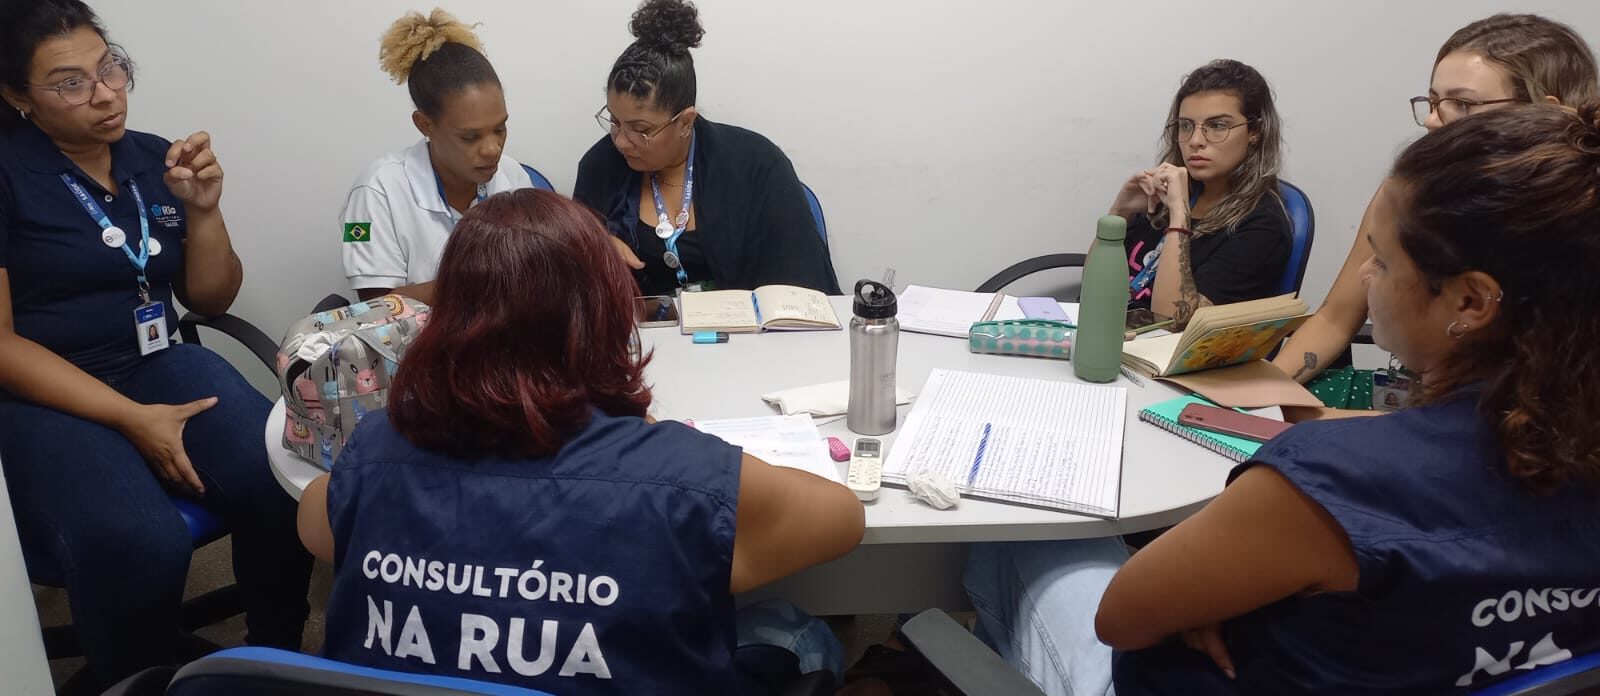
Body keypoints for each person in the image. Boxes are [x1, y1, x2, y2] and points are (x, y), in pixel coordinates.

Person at [965, 102, 1600, 695]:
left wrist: (1221, 603)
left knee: (1027, 534)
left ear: (1469, 301)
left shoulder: (1333, 479)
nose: (1364, 278)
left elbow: (1124, 621)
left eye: (1380, 259)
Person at [299, 189, 865, 693]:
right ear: (603, 318)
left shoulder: (376, 450)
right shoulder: (677, 479)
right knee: (794, 632)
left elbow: (314, 521)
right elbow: (843, 518)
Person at [0, 0, 311, 687]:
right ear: (17, 95)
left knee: (282, 472)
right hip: (41, 391)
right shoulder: (8, 173)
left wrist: (204, 208)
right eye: (70, 82)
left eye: (109, 67)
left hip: (155, 361)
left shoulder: (149, 155)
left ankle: (275, 659)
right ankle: (139, 681)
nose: (106, 93)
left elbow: (210, 299)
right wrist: (130, 421)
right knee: (140, 540)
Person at [1273, 14, 1599, 396]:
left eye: (1461, 103)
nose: (1431, 120)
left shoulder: (1575, 223)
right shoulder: (1405, 195)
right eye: (1431, 101)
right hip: (1424, 406)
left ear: (1541, 113)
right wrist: (1257, 400)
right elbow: (1335, 318)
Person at [573, 0, 840, 297]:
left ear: (686, 122)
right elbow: (574, 287)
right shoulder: (600, 168)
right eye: (614, 121)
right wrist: (595, 249)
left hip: (746, 337)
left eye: (641, 130)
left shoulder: (756, 167)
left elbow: (800, 284)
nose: (621, 141)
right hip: (643, 336)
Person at [340, 9, 535, 304]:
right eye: (470, 137)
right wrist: (484, 280)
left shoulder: (512, 175)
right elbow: (376, 306)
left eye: (500, 128)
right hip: (419, 346)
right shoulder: (377, 191)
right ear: (425, 124)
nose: (492, 148)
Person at [1113, 59, 1290, 328]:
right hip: (1113, 340)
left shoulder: (1262, 225)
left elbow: (1173, 324)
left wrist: (1179, 218)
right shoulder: (1164, 194)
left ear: (1255, 131)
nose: (1195, 140)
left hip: (1166, 362)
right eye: (1186, 126)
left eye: (1217, 126)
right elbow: (1091, 293)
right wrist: (1119, 214)